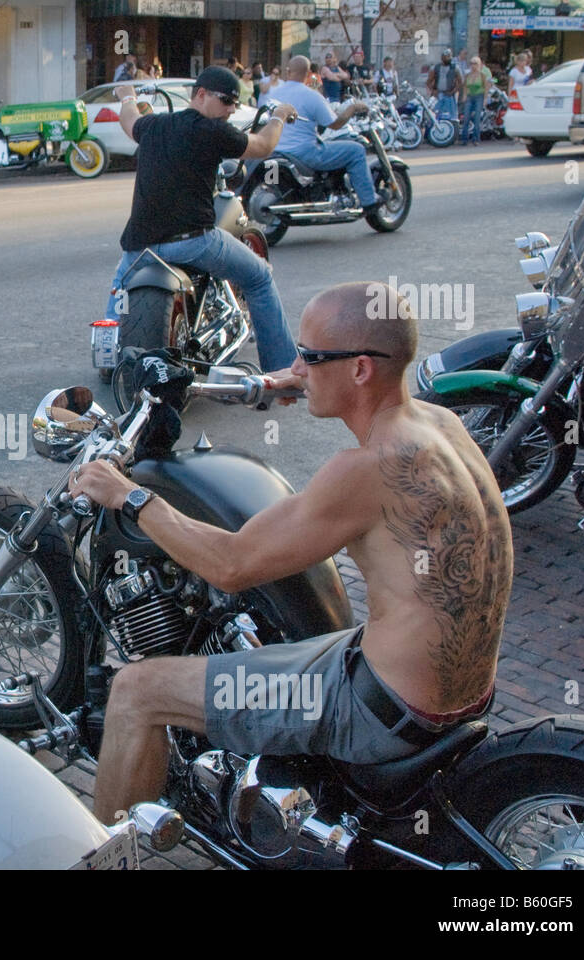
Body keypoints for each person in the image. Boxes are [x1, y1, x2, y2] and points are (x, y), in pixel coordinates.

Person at [72, 282, 513, 823]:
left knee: (138, 690)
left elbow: (230, 565)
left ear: (359, 370)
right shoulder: (438, 424)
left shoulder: (365, 470)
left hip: (384, 710)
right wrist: (271, 382)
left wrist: (130, 496)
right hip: (462, 691)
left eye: (309, 356)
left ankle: (112, 857)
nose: (297, 367)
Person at [101, 66, 299, 373]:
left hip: (139, 248)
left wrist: (127, 96)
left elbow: (130, 123)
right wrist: (279, 116)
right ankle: (283, 370)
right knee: (260, 277)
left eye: (236, 103)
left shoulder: (153, 125)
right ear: (201, 94)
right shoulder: (213, 132)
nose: (231, 109)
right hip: (193, 242)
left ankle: (109, 362)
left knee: (118, 293)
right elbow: (263, 145)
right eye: (226, 101)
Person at [261, 55, 379, 214]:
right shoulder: (312, 95)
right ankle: (369, 202)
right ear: (308, 73)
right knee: (356, 150)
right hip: (304, 153)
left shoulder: (274, 94)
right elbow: (335, 124)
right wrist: (353, 108)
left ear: (288, 71)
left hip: (275, 150)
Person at [460, 56, 490, 146]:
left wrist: (485, 99)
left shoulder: (482, 75)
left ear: (479, 65)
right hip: (470, 96)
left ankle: (476, 139)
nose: (473, 66)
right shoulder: (467, 75)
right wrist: (464, 96)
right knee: (466, 118)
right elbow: (465, 86)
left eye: (475, 63)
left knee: (477, 118)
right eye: (472, 63)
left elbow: (486, 87)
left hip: (479, 97)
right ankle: (464, 139)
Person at [427, 48, 462, 122]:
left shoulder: (455, 68)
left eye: (450, 56)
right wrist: (433, 91)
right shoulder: (436, 68)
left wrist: (453, 91)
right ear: (442, 57)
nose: (449, 58)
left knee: (451, 117)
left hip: (449, 95)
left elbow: (460, 82)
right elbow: (428, 81)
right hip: (438, 95)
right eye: (447, 56)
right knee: (435, 115)